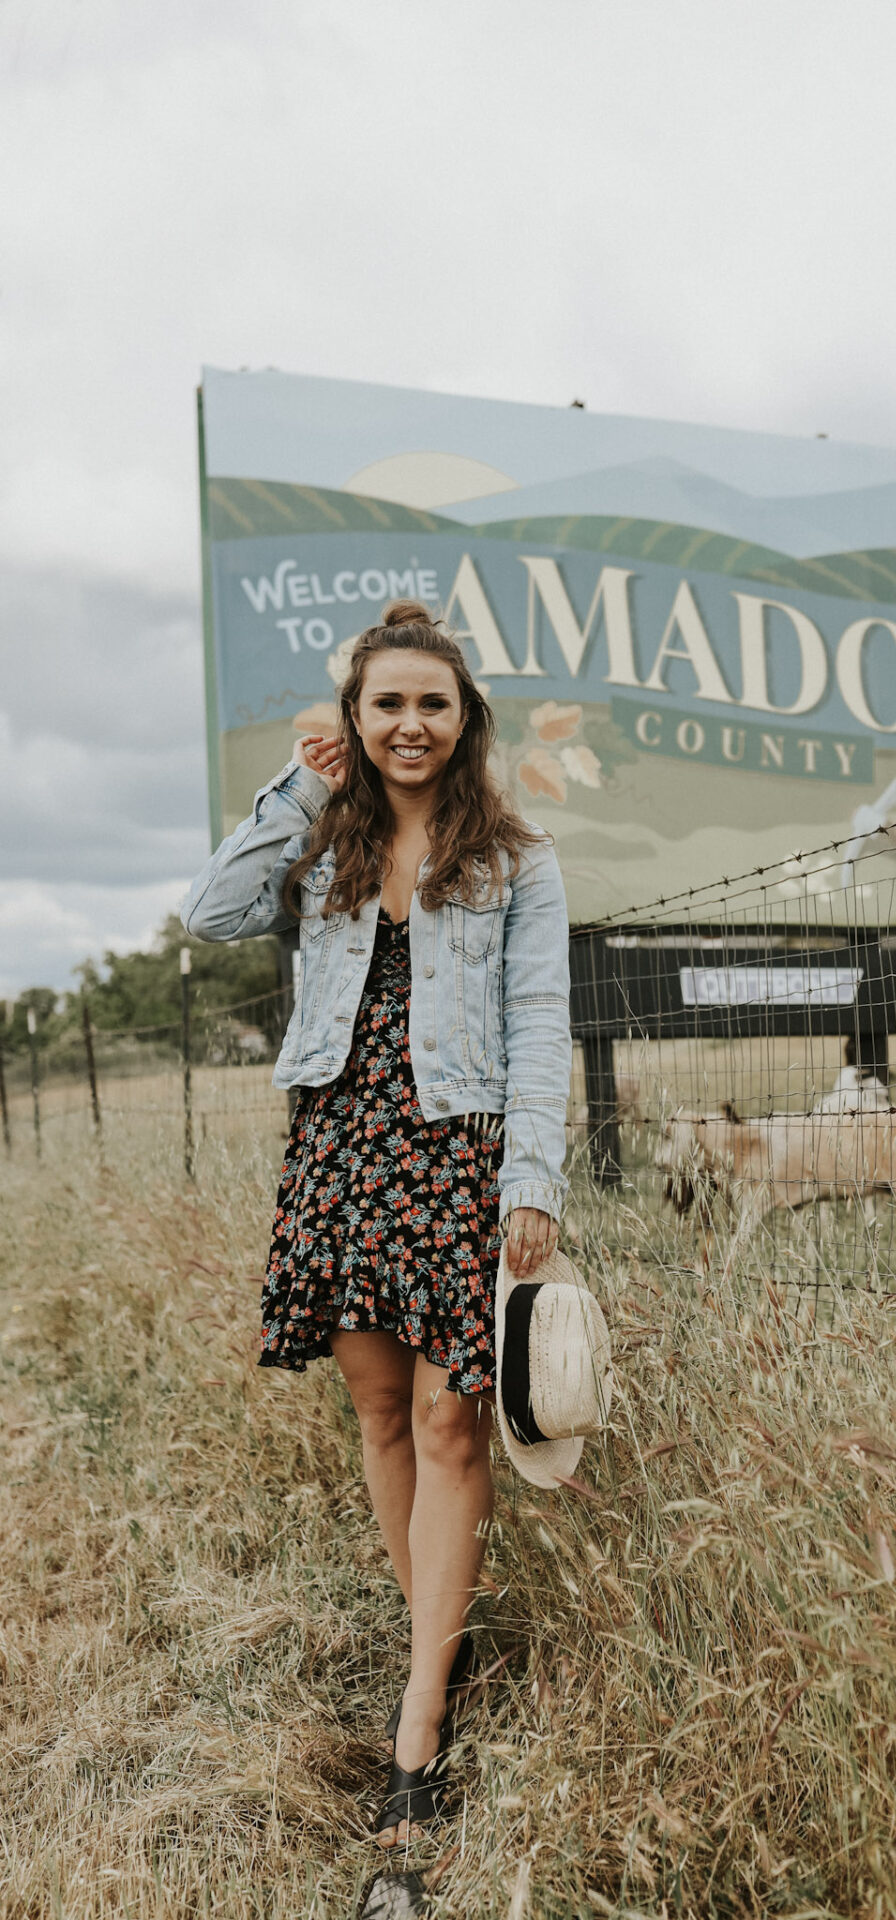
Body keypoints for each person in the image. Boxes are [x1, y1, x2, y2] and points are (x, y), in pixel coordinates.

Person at [181, 600, 571, 1847]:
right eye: (386, 703)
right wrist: (298, 788)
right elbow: (211, 912)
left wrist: (533, 1180)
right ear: (356, 719)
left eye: (432, 704)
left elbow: (538, 1029)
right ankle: (439, 1654)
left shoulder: (517, 860)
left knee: (456, 1418)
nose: (411, 724)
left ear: (465, 723)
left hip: (454, 1156)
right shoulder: (321, 849)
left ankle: (417, 1728)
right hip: (342, 1156)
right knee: (384, 1415)